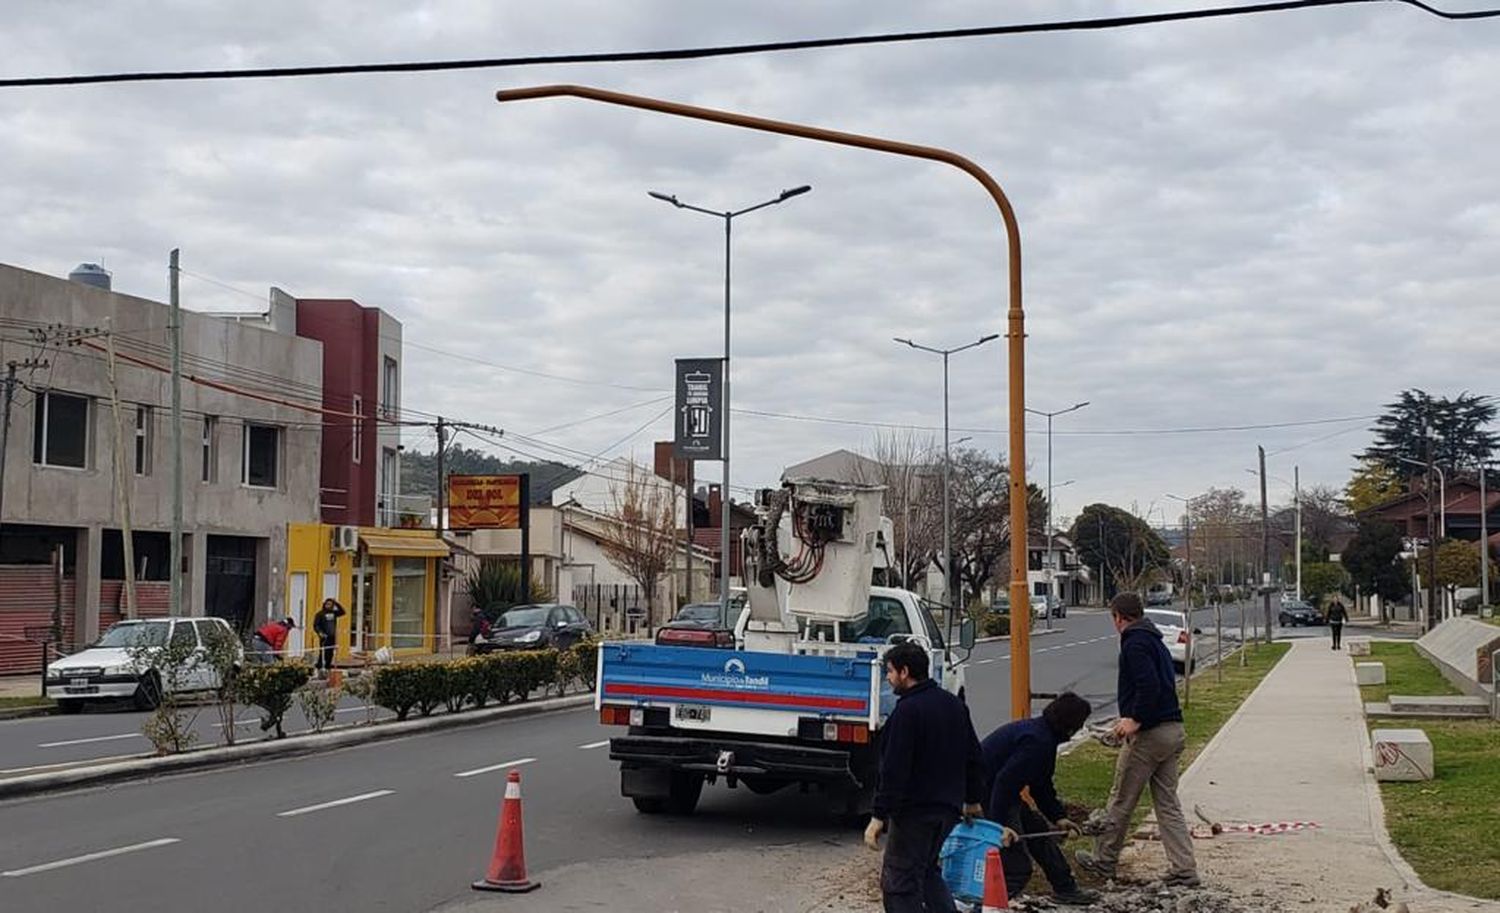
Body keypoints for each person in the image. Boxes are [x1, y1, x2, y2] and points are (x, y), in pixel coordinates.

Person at [1076, 592, 1199, 887]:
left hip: (1150, 735)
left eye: (1113, 618)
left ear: (1119, 616)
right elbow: (1163, 682)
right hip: (1173, 730)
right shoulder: (1154, 640)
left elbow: (1149, 686)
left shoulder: (1135, 643)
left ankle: (1104, 862)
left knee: (1121, 799)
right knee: (1167, 804)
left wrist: (1135, 719)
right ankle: (1184, 869)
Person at [865, 641, 990, 913]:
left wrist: (879, 815)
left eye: (890, 671)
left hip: (914, 813)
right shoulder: (954, 705)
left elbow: (894, 769)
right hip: (948, 810)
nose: (888, 678)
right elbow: (973, 755)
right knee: (927, 871)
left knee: (900, 883)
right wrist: (972, 799)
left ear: (904, 672)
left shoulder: (907, 712)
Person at [980, 693, 1100, 905]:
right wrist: (998, 828)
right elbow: (1003, 783)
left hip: (1000, 793)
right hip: (987, 794)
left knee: (1039, 832)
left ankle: (1066, 888)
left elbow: (1040, 784)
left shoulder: (1042, 735)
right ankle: (986, 905)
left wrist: (1058, 817)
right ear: (1070, 727)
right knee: (1017, 867)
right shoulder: (1037, 742)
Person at [312, 599, 345, 674]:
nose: (328, 606)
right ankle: (320, 667)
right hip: (324, 636)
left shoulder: (334, 613)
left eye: (330, 604)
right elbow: (316, 625)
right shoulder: (320, 614)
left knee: (330, 653)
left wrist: (336, 603)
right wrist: (320, 633)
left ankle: (328, 666)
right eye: (327, 604)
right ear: (324, 604)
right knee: (323, 652)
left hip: (332, 636)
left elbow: (343, 612)